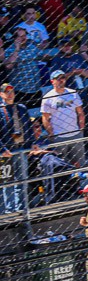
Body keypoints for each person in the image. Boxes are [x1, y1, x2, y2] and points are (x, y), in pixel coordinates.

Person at [0, 83, 35, 214]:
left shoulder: (21, 108)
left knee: (22, 182)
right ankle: (10, 211)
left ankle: (21, 209)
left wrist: (32, 143)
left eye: (11, 91)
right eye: (6, 92)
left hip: (21, 148)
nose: (10, 94)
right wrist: (2, 149)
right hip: (7, 151)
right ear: (1, 94)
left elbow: (28, 128)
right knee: (7, 183)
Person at [40, 69, 86, 167]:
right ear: (52, 81)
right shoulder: (47, 98)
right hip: (59, 136)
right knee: (62, 165)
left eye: (63, 77)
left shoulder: (73, 93)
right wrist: (52, 134)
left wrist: (81, 129)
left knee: (79, 164)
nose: (61, 80)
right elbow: (45, 118)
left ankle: (79, 180)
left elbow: (80, 113)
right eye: (58, 78)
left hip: (75, 134)